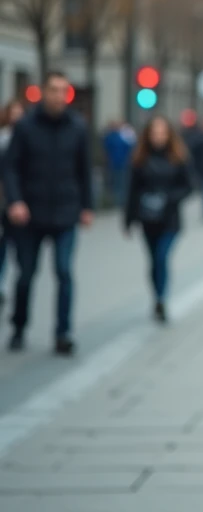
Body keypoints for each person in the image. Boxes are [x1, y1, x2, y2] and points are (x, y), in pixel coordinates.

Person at [1, 72, 93, 355]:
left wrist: (87, 206)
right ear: (43, 91)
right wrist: (15, 201)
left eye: (62, 90)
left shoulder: (77, 127)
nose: (57, 95)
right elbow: (10, 167)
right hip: (30, 213)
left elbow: (84, 170)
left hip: (65, 212)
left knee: (64, 272)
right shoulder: (26, 126)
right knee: (26, 274)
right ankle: (19, 326)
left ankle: (63, 332)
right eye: (52, 89)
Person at [125, 116, 194, 323]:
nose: (158, 137)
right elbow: (132, 190)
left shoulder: (178, 157)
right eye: (154, 133)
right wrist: (128, 219)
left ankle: (162, 299)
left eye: (162, 133)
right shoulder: (140, 158)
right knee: (154, 261)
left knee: (162, 258)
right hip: (148, 219)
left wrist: (169, 199)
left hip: (170, 219)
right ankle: (156, 296)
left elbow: (189, 185)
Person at [0, 100, 24, 306]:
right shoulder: (4, 137)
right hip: (3, 200)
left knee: (19, 247)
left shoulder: (28, 137)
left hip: (20, 202)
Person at [102, 120, 136, 208]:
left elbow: (130, 147)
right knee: (115, 184)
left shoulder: (122, 136)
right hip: (113, 164)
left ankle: (120, 202)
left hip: (122, 164)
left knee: (121, 183)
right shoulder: (112, 137)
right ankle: (115, 202)